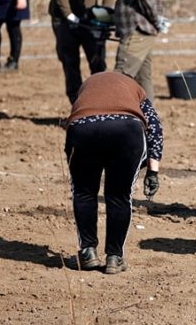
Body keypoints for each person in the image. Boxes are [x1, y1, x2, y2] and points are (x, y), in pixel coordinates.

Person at [65, 72, 163, 274]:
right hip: (126, 130)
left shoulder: (88, 84)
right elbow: (154, 126)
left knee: (84, 192)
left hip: (83, 130)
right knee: (119, 195)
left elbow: (77, 111)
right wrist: (153, 171)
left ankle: (88, 252)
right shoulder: (136, 88)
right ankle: (114, 257)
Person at [49, 0, 116, 104]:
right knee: (70, 63)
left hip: (90, 15)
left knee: (98, 62)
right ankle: (78, 106)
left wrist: (105, 14)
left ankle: (100, 105)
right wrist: (68, 14)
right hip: (64, 18)